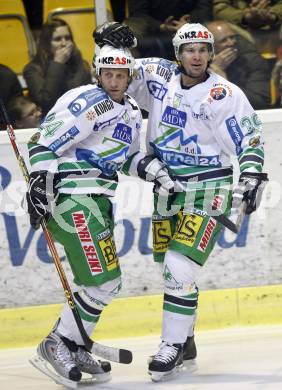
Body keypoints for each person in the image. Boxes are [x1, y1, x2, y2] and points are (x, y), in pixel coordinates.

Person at [94, 22, 268, 382]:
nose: (197, 56)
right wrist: (104, 43)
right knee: (170, 267)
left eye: (204, 49)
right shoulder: (156, 74)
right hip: (167, 188)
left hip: (210, 188)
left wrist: (251, 175)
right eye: (190, 49)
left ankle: (170, 346)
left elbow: (249, 139)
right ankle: (186, 339)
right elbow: (113, 73)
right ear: (178, 53)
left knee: (179, 263)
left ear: (211, 54)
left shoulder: (224, 94)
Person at [26, 42, 175, 387]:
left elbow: (124, 157)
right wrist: (39, 182)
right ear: (98, 73)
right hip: (74, 200)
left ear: (129, 76)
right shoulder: (87, 103)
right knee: (103, 279)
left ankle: (74, 343)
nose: (113, 80)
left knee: (103, 282)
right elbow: (43, 143)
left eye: (120, 75)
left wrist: (153, 169)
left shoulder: (132, 110)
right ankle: (58, 343)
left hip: (100, 200)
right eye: (107, 73)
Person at [23, 18, 92, 116]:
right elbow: (46, 103)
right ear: (46, 44)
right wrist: (57, 64)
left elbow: (85, 96)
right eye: (57, 39)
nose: (64, 43)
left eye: (67, 38)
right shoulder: (32, 69)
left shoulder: (80, 63)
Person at [206, 20, 271, 109]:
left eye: (232, 37)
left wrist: (225, 85)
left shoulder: (252, 61)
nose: (231, 43)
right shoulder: (199, 66)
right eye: (223, 41)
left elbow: (260, 101)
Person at [124, 0, 213, 59]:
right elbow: (138, 14)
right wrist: (161, 26)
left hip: (193, 29)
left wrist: (189, 24)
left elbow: (204, 8)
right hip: (154, 33)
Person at [213, 0, 282, 56]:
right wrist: (245, 16)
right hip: (241, 29)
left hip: (275, 26)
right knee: (221, 29)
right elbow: (220, 10)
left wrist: (274, 15)